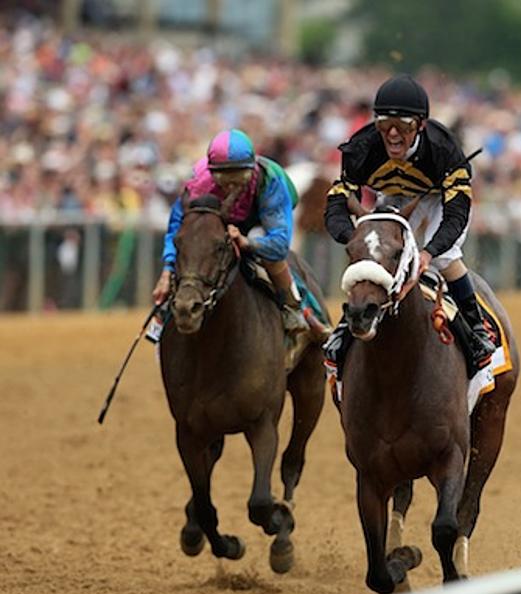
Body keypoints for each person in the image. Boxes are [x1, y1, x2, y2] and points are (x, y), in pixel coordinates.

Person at [322, 74, 495, 375]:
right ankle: (345, 329)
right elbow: (336, 203)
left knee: (444, 257)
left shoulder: (444, 151)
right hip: (391, 196)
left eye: (401, 127)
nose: (391, 135)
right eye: (383, 125)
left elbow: (455, 217)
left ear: (420, 125)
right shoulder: (360, 149)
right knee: (374, 255)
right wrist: (356, 240)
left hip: (437, 198)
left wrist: (427, 252)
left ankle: (476, 328)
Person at [151, 128, 307, 334]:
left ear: (252, 169)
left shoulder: (270, 181)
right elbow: (177, 228)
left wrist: (247, 243)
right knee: (196, 243)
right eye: (224, 178)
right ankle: (167, 309)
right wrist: (168, 269)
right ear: (211, 172)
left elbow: (279, 244)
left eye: (240, 176)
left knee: (272, 257)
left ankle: (291, 306)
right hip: (216, 214)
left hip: (260, 213)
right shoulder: (197, 183)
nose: (232, 185)